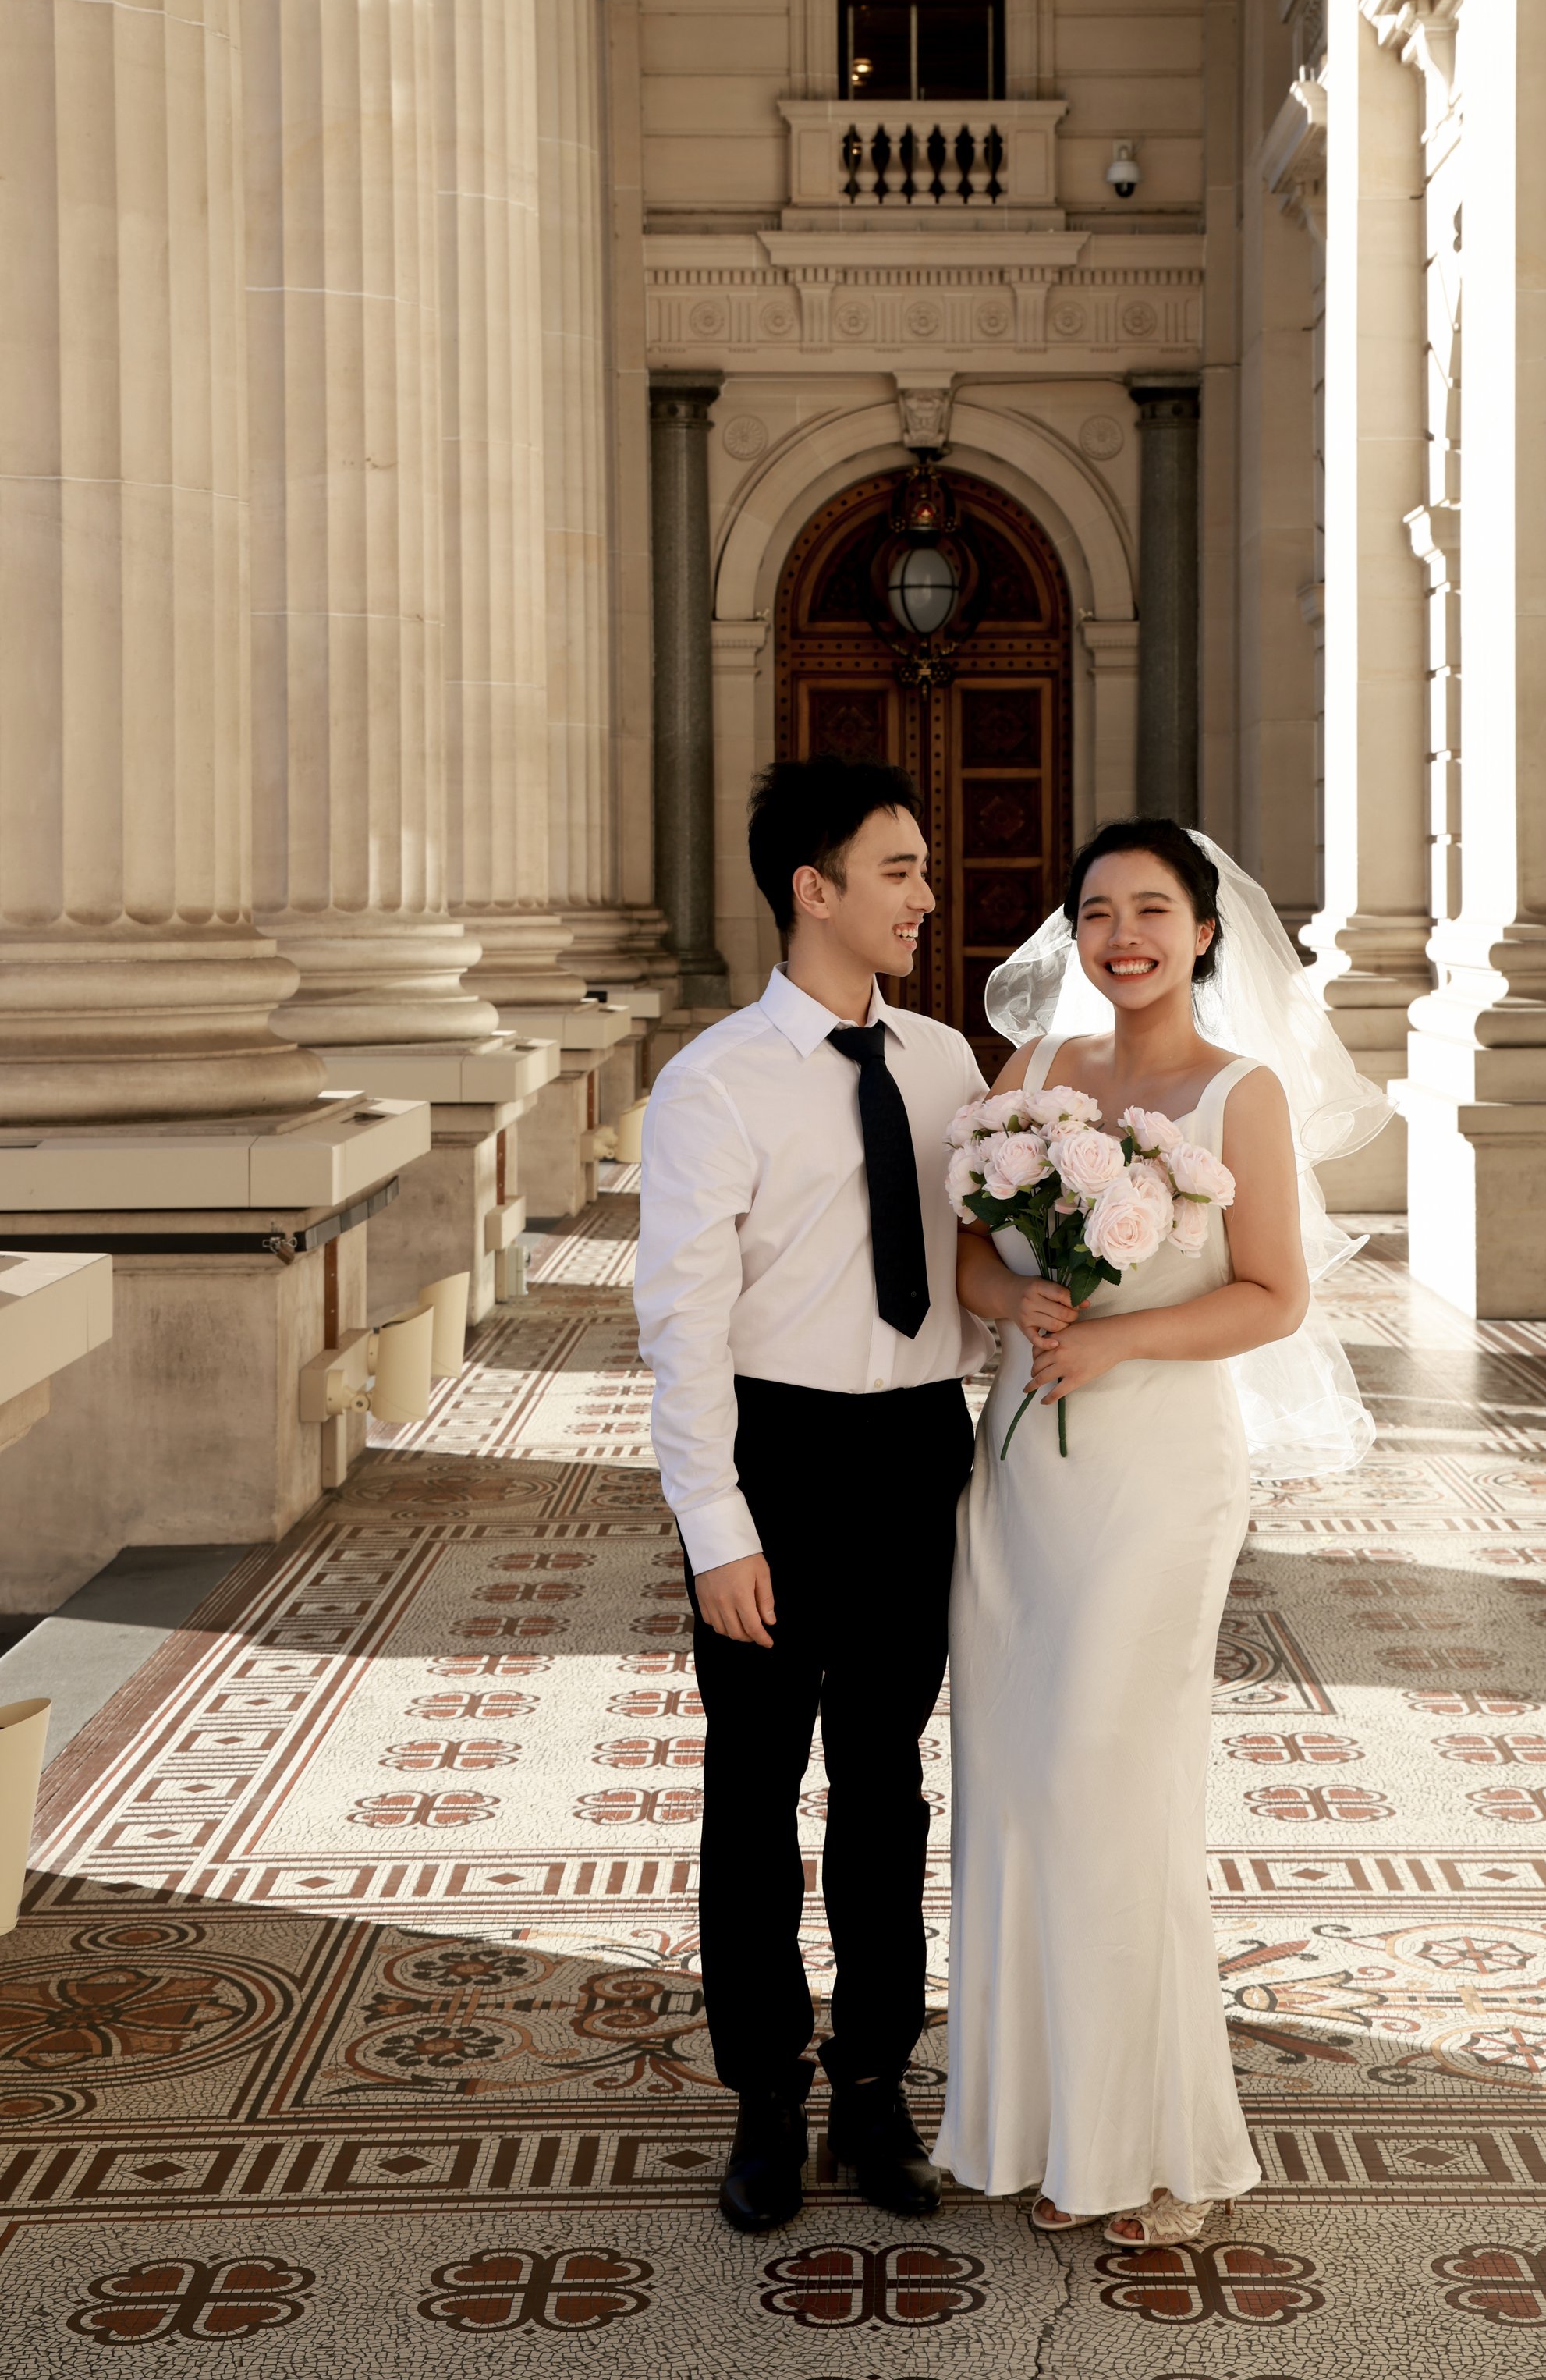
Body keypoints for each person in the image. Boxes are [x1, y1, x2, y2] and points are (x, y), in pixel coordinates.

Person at [934, 817, 1388, 2245]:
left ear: (1204, 932)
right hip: (1023, 1462)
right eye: (1097, 912)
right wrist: (1019, 1305)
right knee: (1012, 1782)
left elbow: (1274, 1296)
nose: (1123, 935)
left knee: (1104, 1778)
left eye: (1152, 910)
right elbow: (962, 1249)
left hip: (1158, 1470)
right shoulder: (1037, 1076)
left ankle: (1156, 2144)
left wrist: (1126, 1348)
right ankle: (1040, 2128)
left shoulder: (1239, 1092)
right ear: (1073, 937)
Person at [635, 757, 988, 2233]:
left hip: (915, 1452)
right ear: (814, 889)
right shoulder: (714, 1084)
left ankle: (873, 2087)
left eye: (922, 868)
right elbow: (683, 1323)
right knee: (752, 1792)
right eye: (898, 870)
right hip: (776, 1461)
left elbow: (977, 1262)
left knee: (891, 1787)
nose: (925, 895)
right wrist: (718, 1529)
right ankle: (767, 2098)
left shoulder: (949, 1064)